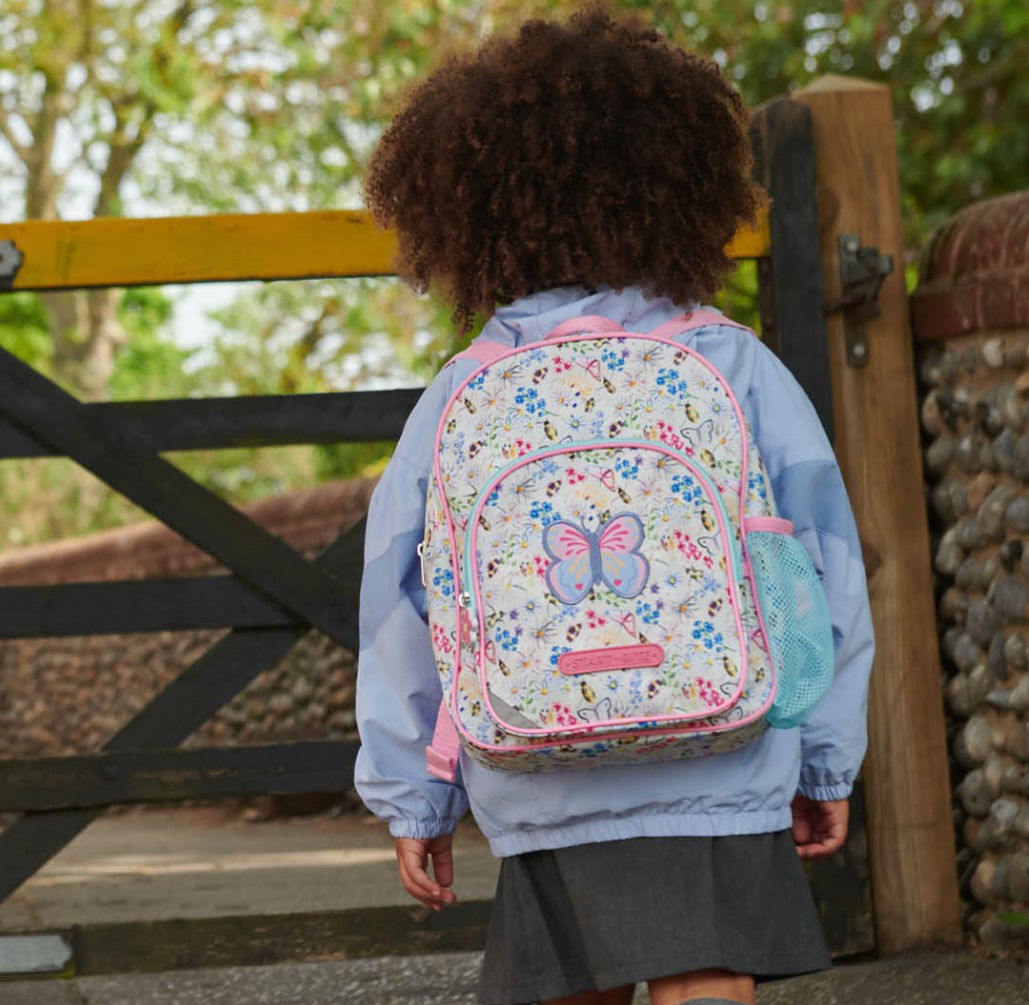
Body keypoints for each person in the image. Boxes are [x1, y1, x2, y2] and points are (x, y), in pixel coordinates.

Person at [353, 7, 875, 1005]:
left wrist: (415, 795)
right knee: (708, 980)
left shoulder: (464, 392)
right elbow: (821, 564)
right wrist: (822, 755)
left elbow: (399, 602)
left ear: (469, 215)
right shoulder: (731, 365)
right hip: (721, 757)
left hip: (536, 759)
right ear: (679, 188)